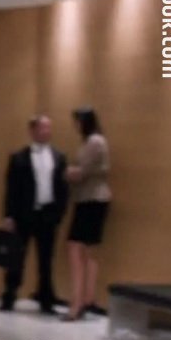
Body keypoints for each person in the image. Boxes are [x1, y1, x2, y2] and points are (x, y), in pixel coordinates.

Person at [0, 115, 69, 314]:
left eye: (48, 128)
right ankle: (9, 296)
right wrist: (9, 215)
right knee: (16, 258)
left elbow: (62, 188)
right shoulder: (19, 158)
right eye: (42, 128)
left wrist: (59, 212)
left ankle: (46, 299)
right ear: (32, 131)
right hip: (24, 214)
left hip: (48, 215)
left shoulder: (59, 157)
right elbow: (11, 189)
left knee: (46, 260)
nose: (46, 132)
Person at [62, 107, 111, 322]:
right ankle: (85, 298)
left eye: (78, 121)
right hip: (90, 200)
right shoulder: (93, 141)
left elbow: (80, 173)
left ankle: (79, 301)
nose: (76, 126)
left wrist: (65, 171)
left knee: (77, 248)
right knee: (86, 251)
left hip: (91, 200)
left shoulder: (95, 142)